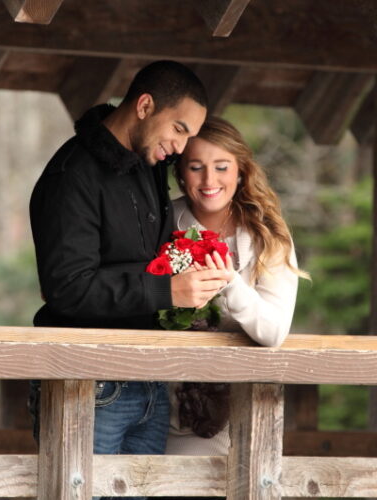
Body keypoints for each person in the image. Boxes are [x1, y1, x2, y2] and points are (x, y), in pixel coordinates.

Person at [27, 61, 232, 493]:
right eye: (177, 129)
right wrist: (167, 289)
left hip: (148, 379)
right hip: (88, 384)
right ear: (144, 105)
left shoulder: (148, 163)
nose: (179, 147)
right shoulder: (72, 175)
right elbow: (67, 287)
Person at [164, 116, 307, 465]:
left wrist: (229, 282)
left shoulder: (268, 234)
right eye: (196, 167)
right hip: (157, 403)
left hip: (234, 411)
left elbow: (273, 331)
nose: (209, 180)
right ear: (181, 174)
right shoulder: (163, 222)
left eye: (222, 167)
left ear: (241, 171)